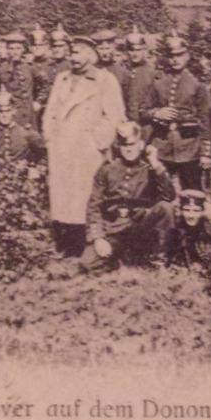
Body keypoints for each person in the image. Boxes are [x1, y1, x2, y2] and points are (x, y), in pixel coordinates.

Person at [42, 35, 126, 261]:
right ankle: (65, 243)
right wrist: (49, 137)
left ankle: (86, 244)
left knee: (85, 196)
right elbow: (50, 110)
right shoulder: (63, 78)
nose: (73, 57)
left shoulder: (104, 80)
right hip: (61, 147)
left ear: (91, 54)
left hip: (86, 149)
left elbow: (115, 115)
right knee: (63, 197)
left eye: (78, 52)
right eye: (72, 52)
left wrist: (97, 141)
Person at [85, 122, 177, 270]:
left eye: (132, 144)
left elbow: (169, 196)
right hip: (113, 229)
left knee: (165, 208)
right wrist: (98, 238)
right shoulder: (107, 169)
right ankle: (120, 257)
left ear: (141, 144)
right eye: (124, 145)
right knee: (88, 264)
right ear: (119, 147)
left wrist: (155, 163)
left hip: (140, 228)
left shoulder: (149, 169)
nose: (128, 149)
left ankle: (158, 262)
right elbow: (94, 205)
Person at [132, 34, 211, 192]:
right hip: (162, 146)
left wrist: (206, 153)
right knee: (159, 190)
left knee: (193, 192)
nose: (175, 59)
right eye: (171, 56)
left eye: (179, 55)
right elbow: (143, 111)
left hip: (189, 147)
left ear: (187, 56)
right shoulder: (158, 83)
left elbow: (206, 120)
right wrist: (157, 113)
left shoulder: (197, 85)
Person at [161, 189, 211, 270]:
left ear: (202, 212)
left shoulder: (209, 231)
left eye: (196, 211)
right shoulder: (174, 230)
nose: (191, 215)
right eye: (187, 210)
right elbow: (169, 256)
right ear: (180, 211)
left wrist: (202, 265)